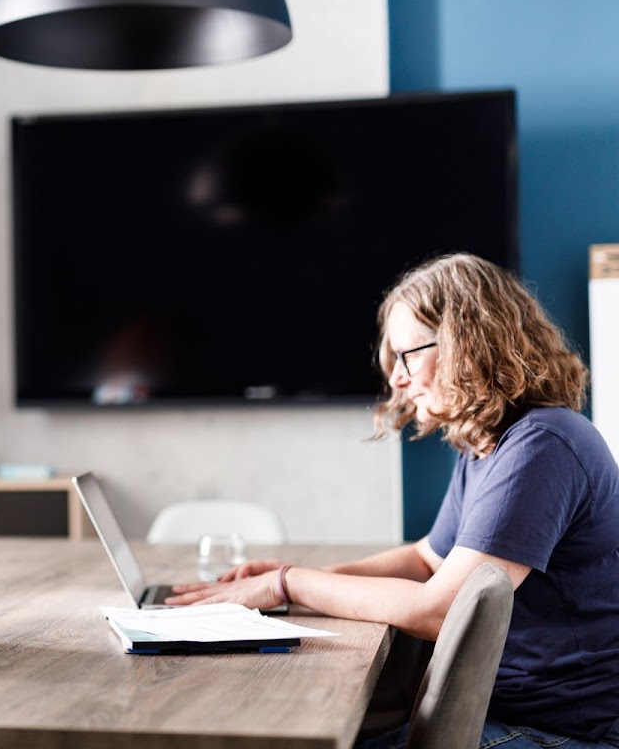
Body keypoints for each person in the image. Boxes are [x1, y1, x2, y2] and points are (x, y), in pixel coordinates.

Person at [166, 253, 619, 748]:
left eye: (409, 355)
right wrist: (299, 582)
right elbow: (428, 559)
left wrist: (288, 584)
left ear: (468, 342)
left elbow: (445, 611)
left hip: (572, 732)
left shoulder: (544, 445)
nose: (397, 379)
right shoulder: (488, 442)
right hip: (506, 713)